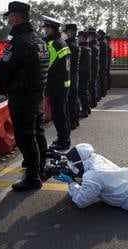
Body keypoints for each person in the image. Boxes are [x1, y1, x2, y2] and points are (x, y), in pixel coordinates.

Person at [0, 2, 49, 191]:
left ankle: (33, 178)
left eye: (9, 17)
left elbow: (3, 71)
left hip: (22, 97)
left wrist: (1, 87)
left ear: (15, 18)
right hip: (36, 96)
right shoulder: (39, 41)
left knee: (26, 138)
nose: (8, 20)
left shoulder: (18, 42)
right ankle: (41, 168)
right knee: (37, 133)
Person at [42, 15, 72, 150]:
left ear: (51, 29)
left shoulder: (54, 45)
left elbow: (47, 66)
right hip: (64, 84)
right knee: (63, 114)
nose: (45, 31)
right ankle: (64, 138)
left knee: (59, 115)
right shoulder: (62, 41)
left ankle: (63, 140)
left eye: (46, 28)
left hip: (56, 86)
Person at [64, 23, 80, 130]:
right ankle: (75, 120)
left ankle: (72, 122)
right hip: (74, 74)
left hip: (70, 74)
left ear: (73, 32)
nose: (66, 34)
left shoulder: (69, 44)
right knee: (74, 98)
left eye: (68, 32)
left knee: (70, 99)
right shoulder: (75, 43)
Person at [77, 30, 92, 118]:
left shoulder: (82, 48)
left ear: (82, 37)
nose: (78, 39)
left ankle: (85, 110)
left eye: (79, 37)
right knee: (85, 91)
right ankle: (87, 108)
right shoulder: (88, 47)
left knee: (82, 92)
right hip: (87, 72)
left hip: (82, 73)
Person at [87, 27, 99, 108]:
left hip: (92, 68)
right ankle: (93, 101)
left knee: (91, 86)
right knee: (93, 85)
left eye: (90, 36)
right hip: (94, 68)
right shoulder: (95, 44)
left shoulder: (92, 46)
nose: (88, 37)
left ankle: (93, 102)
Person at [97, 29, 108, 98]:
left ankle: (102, 92)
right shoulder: (103, 42)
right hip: (103, 63)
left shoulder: (101, 43)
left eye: (98, 34)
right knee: (102, 77)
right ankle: (103, 91)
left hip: (101, 63)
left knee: (101, 77)